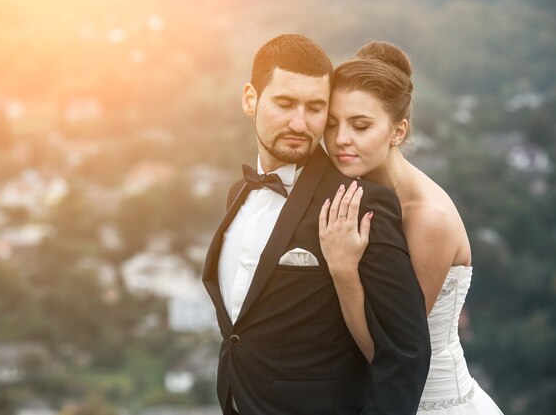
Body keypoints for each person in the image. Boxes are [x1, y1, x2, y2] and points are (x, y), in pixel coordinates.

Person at [202, 34, 431, 415]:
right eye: (285, 103)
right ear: (250, 99)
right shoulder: (238, 194)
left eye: (315, 108)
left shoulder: (359, 203)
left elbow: (405, 353)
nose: (299, 122)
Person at [319, 40, 504, 414]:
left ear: (398, 131)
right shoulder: (358, 194)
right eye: (332, 124)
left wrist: (343, 270)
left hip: (432, 403)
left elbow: (391, 354)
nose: (341, 139)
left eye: (360, 125)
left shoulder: (426, 217)